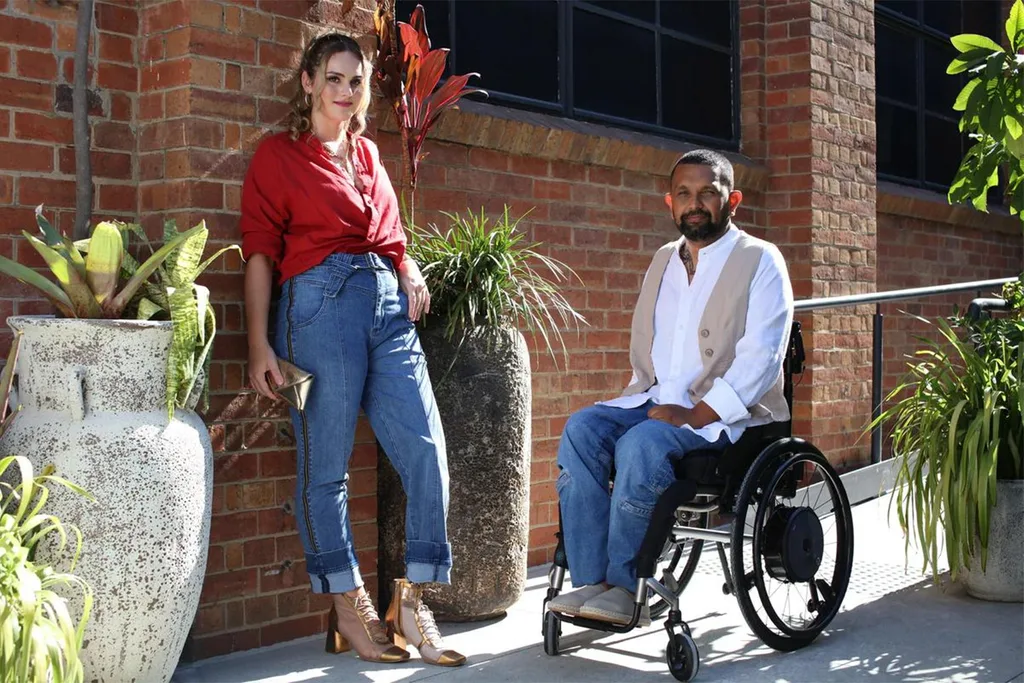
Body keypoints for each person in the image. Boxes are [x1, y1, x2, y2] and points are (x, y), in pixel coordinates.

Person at [239, 32, 464, 667]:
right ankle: (349, 606)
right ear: (308, 81)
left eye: (356, 81)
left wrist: (411, 266)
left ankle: (413, 600)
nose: (345, 91)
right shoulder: (279, 157)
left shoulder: (367, 156)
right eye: (333, 78)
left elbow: (390, 237)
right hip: (315, 314)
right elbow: (260, 253)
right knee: (326, 467)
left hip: (388, 313)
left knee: (426, 453)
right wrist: (259, 342)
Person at [547, 149, 794, 625]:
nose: (694, 203)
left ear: (733, 200)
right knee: (582, 429)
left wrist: (696, 415)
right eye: (683, 194)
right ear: (669, 202)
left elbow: (762, 357)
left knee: (642, 443)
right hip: (657, 400)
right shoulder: (663, 260)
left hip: (728, 419)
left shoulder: (760, 260)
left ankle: (623, 584)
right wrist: (661, 404)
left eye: (707, 192)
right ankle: (590, 581)